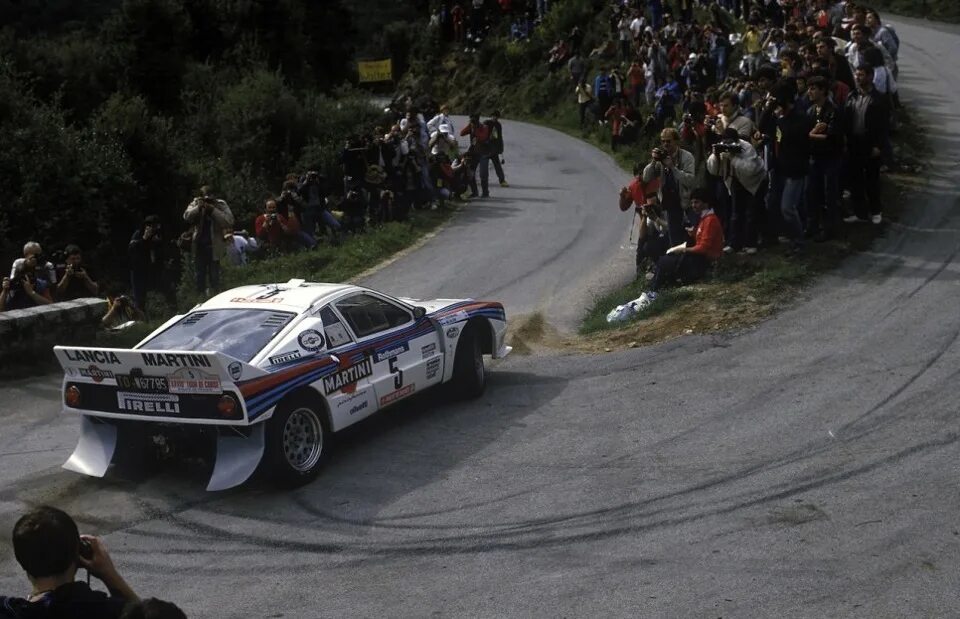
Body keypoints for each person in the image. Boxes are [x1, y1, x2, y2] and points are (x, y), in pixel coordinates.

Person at [0, 506, 138, 618]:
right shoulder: (103, 610)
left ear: (20, 559)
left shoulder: (9, 611)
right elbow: (143, 614)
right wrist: (109, 575)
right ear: (79, 555)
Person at [635, 187, 724, 307]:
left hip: (705, 259)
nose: (693, 205)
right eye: (692, 202)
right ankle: (655, 289)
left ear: (705, 203)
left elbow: (703, 248)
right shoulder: (704, 218)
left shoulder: (710, 220)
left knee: (664, 262)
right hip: (698, 256)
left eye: (696, 202)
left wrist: (683, 249)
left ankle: (653, 292)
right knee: (664, 258)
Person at [706, 128, 766, 253]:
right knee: (735, 214)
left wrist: (733, 157)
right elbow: (713, 170)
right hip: (735, 182)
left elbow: (750, 170)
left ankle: (751, 243)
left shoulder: (746, 148)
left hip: (754, 182)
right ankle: (734, 243)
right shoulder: (721, 147)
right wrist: (716, 155)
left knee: (751, 213)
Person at [844, 64, 889, 225]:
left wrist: (879, 146)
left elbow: (884, 125)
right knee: (855, 179)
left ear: (870, 77)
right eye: (857, 75)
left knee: (872, 179)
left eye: (861, 75)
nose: (858, 78)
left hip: (870, 143)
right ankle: (860, 212)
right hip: (854, 143)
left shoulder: (879, 98)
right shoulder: (852, 96)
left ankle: (876, 211)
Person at [641, 127, 698, 246]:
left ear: (676, 141)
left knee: (695, 232)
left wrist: (673, 168)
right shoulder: (660, 158)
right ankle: (675, 259)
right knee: (674, 237)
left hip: (686, 200)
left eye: (668, 141)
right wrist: (653, 161)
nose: (665, 144)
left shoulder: (687, 157)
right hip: (670, 202)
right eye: (663, 141)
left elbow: (690, 180)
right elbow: (646, 177)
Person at [805, 75, 844, 241]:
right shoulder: (811, 111)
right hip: (815, 158)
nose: (809, 92)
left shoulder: (833, 110)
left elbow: (832, 136)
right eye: (809, 88)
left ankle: (830, 229)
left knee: (830, 195)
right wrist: (813, 134)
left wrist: (812, 135)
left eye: (813, 88)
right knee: (812, 193)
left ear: (823, 91)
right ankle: (812, 226)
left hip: (830, 159)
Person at [182, 186, 234, 296]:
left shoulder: (220, 204)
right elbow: (186, 216)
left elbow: (229, 221)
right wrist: (198, 208)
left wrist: (213, 210)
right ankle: (200, 298)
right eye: (205, 197)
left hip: (214, 246)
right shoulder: (196, 203)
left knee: (214, 277)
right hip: (199, 246)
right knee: (199, 277)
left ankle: (215, 296)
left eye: (210, 196)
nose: (207, 199)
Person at [128, 216, 172, 313]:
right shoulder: (138, 234)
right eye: (150, 226)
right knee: (139, 295)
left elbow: (161, 249)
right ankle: (140, 317)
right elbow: (132, 249)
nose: (152, 229)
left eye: (154, 226)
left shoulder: (158, 235)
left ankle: (172, 308)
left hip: (152, 268)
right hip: (138, 270)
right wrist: (145, 238)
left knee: (166, 286)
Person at [486, 111, 508, 187]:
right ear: (491, 116)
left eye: (496, 116)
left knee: (497, 165)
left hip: (494, 149)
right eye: (493, 116)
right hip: (485, 148)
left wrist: (501, 149)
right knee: (481, 165)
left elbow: (499, 137)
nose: (495, 117)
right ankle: (474, 180)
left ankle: (502, 180)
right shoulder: (486, 123)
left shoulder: (498, 125)